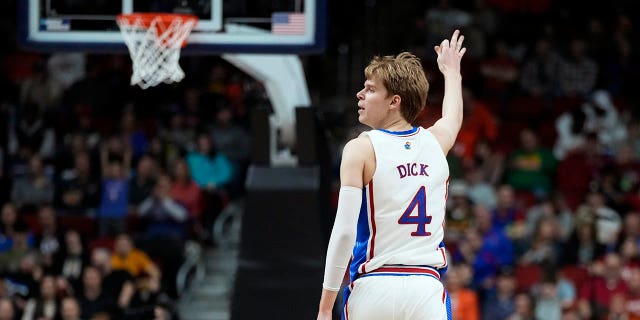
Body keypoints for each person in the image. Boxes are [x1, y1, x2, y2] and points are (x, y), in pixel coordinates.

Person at [317, 30, 466, 320]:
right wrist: (452, 72)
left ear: (394, 101)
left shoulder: (361, 149)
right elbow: (453, 116)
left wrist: (325, 307)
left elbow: (345, 231)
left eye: (370, 89)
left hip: (374, 286)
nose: (360, 94)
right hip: (425, 291)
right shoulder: (436, 142)